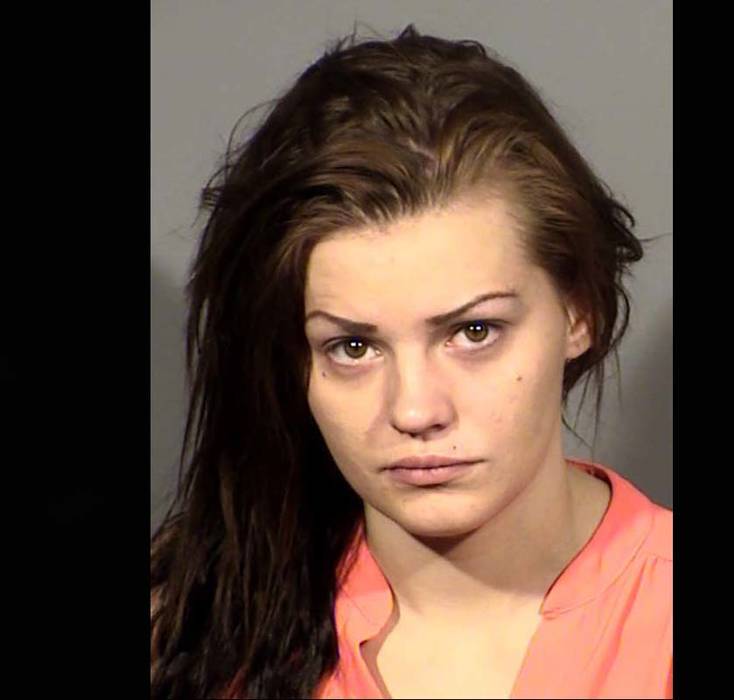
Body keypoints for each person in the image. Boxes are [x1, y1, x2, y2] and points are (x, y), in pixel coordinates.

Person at [151, 23, 671, 699]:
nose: (416, 410)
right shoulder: (190, 634)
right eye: (354, 348)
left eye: (474, 332)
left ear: (580, 313)